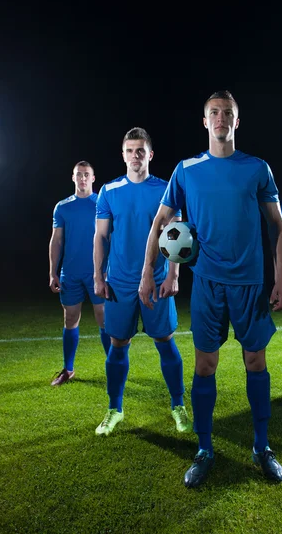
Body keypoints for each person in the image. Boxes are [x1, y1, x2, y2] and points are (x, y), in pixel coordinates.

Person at [139, 91, 282, 488]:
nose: (220, 118)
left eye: (228, 113)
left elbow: (278, 226)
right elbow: (161, 224)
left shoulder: (257, 169)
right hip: (206, 284)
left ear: (237, 122)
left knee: (255, 362)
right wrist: (147, 272)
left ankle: (262, 446)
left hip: (251, 283)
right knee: (205, 365)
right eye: (213, 113)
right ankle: (204, 450)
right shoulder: (186, 170)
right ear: (204, 122)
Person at [93, 127, 192, 436]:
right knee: (118, 344)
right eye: (129, 150)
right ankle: (114, 409)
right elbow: (100, 236)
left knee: (165, 341)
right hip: (120, 282)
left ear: (150, 154)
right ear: (123, 155)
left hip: (158, 279)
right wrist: (98, 276)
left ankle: (178, 406)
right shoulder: (109, 191)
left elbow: (177, 235)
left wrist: (174, 274)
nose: (135, 156)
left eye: (140, 150)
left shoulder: (166, 190)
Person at [49, 161, 108, 386]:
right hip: (70, 273)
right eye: (79, 175)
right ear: (73, 178)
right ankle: (68, 369)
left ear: (93, 178)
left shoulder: (102, 203)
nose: (82, 178)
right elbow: (57, 240)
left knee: (103, 319)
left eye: (86, 175)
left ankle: (113, 365)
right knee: (70, 318)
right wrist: (53, 271)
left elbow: (110, 237)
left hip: (98, 272)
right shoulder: (62, 207)